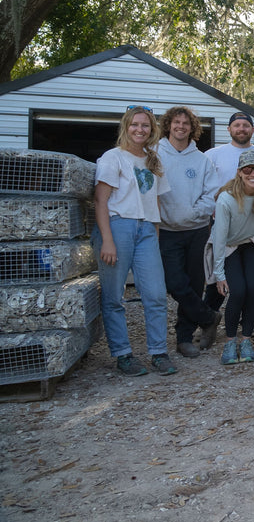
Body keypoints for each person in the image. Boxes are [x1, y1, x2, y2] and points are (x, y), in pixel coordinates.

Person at [93, 106, 176, 376]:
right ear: (126, 126)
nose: (140, 130)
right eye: (135, 125)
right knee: (114, 295)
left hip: (147, 231)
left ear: (152, 130)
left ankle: (158, 352)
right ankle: (123, 354)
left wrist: (156, 234)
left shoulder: (153, 160)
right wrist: (107, 240)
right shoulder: (112, 158)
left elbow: (156, 203)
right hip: (118, 226)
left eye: (146, 126)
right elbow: (100, 200)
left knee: (155, 293)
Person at [157, 106, 220, 359]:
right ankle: (208, 317)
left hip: (196, 231)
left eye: (186, 123)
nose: (180, 126)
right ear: (168, 125)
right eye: (176, 122)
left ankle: (184, 338)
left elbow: (211, 194)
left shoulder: (202, 160)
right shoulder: (154, 154)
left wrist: (193, 214)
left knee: (194, 284)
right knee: (174, 282)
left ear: (192, 128)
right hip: (166, 230)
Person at [209, 150, 254, 365]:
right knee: (238, 291)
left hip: (252, 243)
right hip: (229, 246)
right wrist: (219, 274)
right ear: (239, 173)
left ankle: (246, 340)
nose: (253, 174)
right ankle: (229, 341)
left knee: (253, 289)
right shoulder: (227, 199)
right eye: (247, 169)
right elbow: (219, 238)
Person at [205, 112, 254, 189]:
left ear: (253, 130)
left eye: (246, 125)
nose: (241, 129)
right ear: (229, 129)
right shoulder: (212, 155)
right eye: (236, 125)